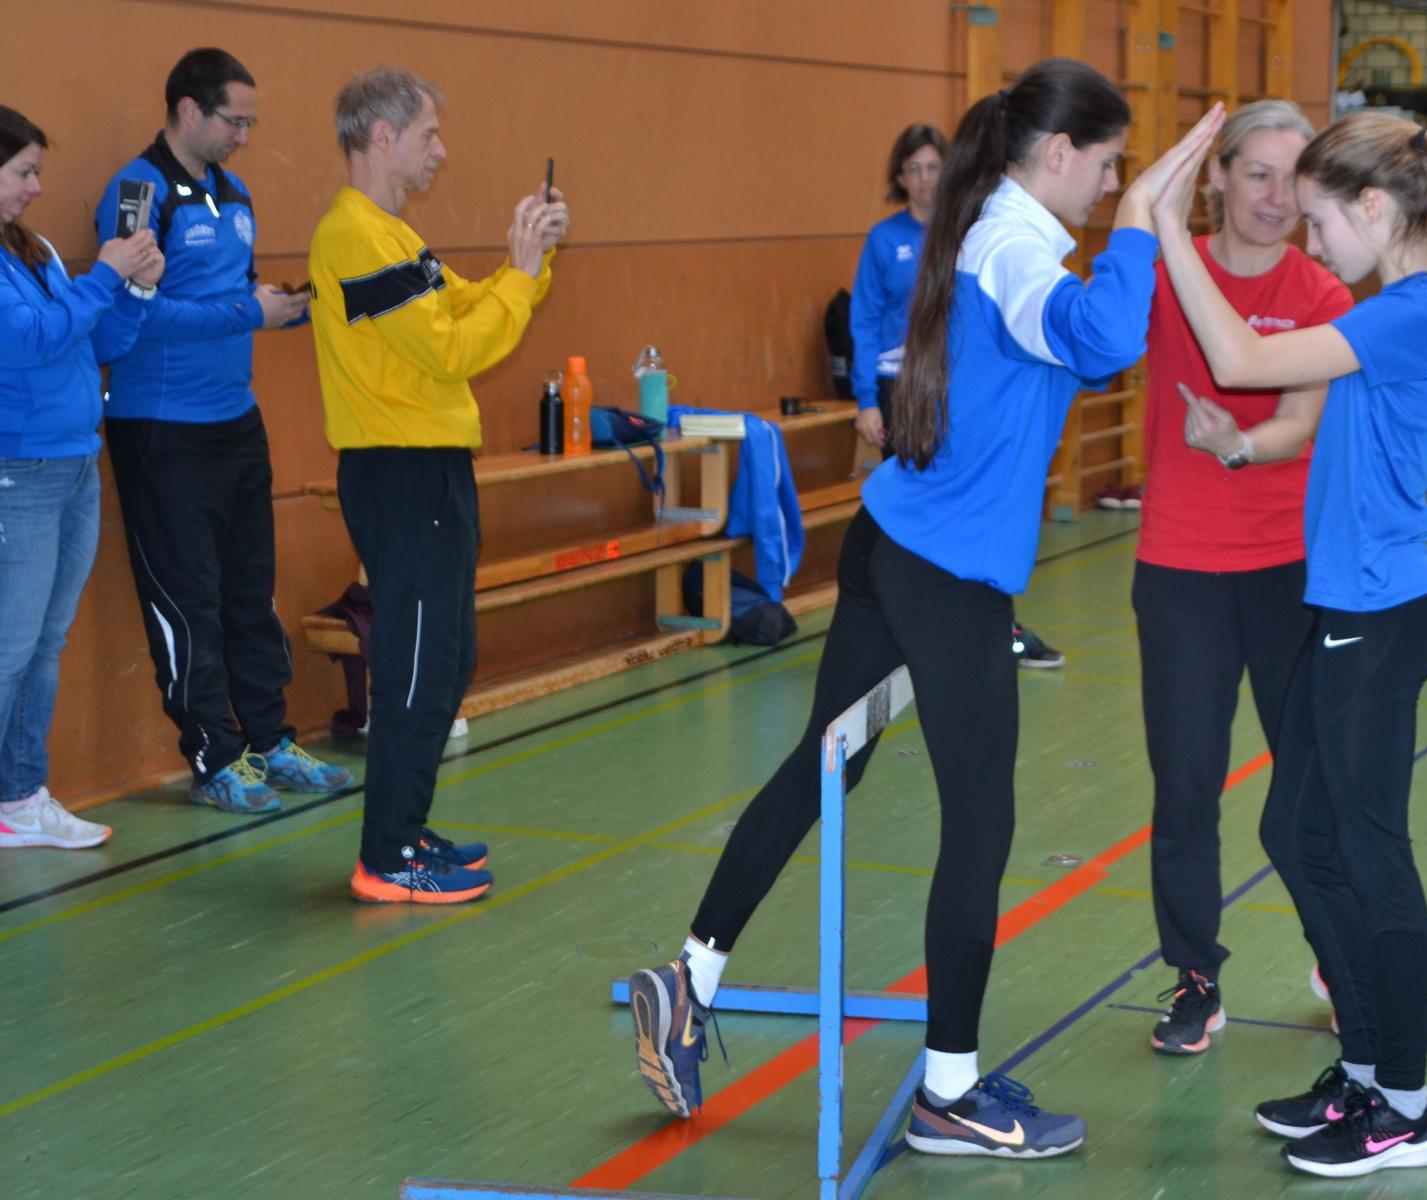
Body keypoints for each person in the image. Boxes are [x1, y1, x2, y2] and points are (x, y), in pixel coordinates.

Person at [627, 59, 1225, 1159]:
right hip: (943, 576)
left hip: (894, 543)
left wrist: (1132, 227)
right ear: (1057, 154)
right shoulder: (1012, 247)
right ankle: (948, 1092)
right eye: (1106, 165)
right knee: (979, 824)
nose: (1109, 183)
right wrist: (1141, 221)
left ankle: (689, 976)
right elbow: (1103, 340)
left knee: (825, 763)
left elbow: (1078, 351)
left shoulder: (1002, 230)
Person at [1152, 111, 1427, 1178]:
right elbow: (1279, 400)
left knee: (1367, 856)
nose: (1310, 243)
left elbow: (1239, 355)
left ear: (1373, 208)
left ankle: (1405, 1108)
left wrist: (1162, 222)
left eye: (1319, 222)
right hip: (1344, 608)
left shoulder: (1406, 314)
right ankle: (1364, 1068)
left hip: (1381, 619)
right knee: (1295, 835)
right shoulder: (1391, 310)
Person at [307, 67, 567, 904]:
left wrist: (530, 262)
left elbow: (464, 308)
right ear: (382, 136)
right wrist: (519, 276)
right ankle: (386, 858)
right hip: (399, 471)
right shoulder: (351, 236)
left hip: (433, 468)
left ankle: (406, 828)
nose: (440, 152)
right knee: (416, 668)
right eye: (429, 135)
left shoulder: (395, 237)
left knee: (447, 657)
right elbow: (453, 350)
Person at [1134, 100, 1351, 1055]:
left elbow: (1298, 423)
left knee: (1309, 785)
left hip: (1287, 566)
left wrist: (1234, 444)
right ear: (1215, 174)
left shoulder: (1319, 291)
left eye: (1291, 179)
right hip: (1178, 564)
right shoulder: (1163, 273)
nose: (1274, 197)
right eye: (1255, 173)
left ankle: (1337, 957)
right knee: (1185, 786)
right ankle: (1193, 977)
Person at [96, 47, 351, 817]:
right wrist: (248, 311)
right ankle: (213, 756)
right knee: (190, 601)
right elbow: (129, 314)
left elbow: (230, 296)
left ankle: (270, 739)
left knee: (249, 593)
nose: (243, 136)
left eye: (249, 123)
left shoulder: (235, 194)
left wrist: (281, 305)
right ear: (188, 110)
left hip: (236, 421)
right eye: (234, 121)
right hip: (161, 429)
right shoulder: (137, 193)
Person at [0, 106, 162, 850]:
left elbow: (94, 341)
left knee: (44, 644)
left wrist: (136, 291)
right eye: (23, 171)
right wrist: (105, 274)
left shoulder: (33, 251)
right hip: (19, 473)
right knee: (10, 647)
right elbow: (31, 340)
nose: (37, 187)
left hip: (73, 466)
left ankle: (20, 796)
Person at [849, 122, 1067, 670]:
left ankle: (998, 627)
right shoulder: (884, 240)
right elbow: (864, 320)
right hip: (899, 388)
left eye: (933, 167)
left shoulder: (970, 233)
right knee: (913, 519)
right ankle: (909, 633)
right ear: (900, 177)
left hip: (954, 390)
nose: (924, 179)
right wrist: (866, 400)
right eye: (913, 169)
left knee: (975, 506)